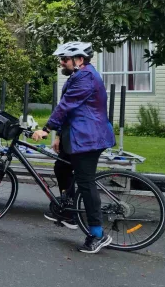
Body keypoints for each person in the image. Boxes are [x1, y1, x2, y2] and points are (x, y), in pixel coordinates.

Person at [31, 41, 115, 254]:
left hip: (89, 139)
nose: (62, 62)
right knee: (61, 167)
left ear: (79, 60)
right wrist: (59, 135)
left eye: (65, 59)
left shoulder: (85, 78)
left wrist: (47, 129)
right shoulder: (78, 76)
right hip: (76, 136)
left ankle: (97, 234)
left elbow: (66, 104)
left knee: (86, 184)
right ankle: (69, 211)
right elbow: (71, 110)